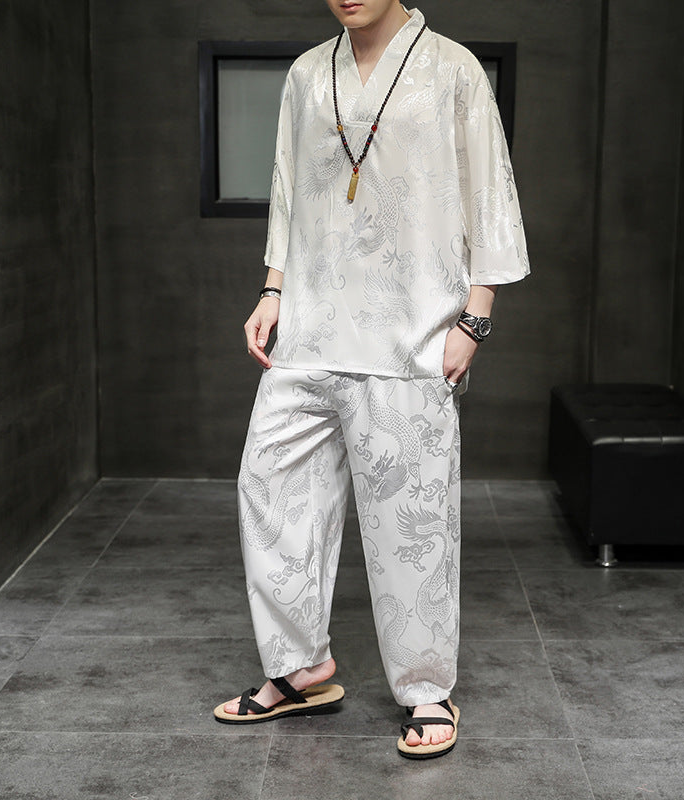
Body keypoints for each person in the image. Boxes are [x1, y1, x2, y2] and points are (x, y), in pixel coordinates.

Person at [213, 0, 529, 759]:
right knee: (270, 486)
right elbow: (291, 187)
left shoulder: (452, 69)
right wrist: (273, 288)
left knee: (409, 521)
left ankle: (426, 691)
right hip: (311, 325)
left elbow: (489, 191)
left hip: (410, 332)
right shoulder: (305, 73)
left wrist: (475, 317)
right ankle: (299, 668)